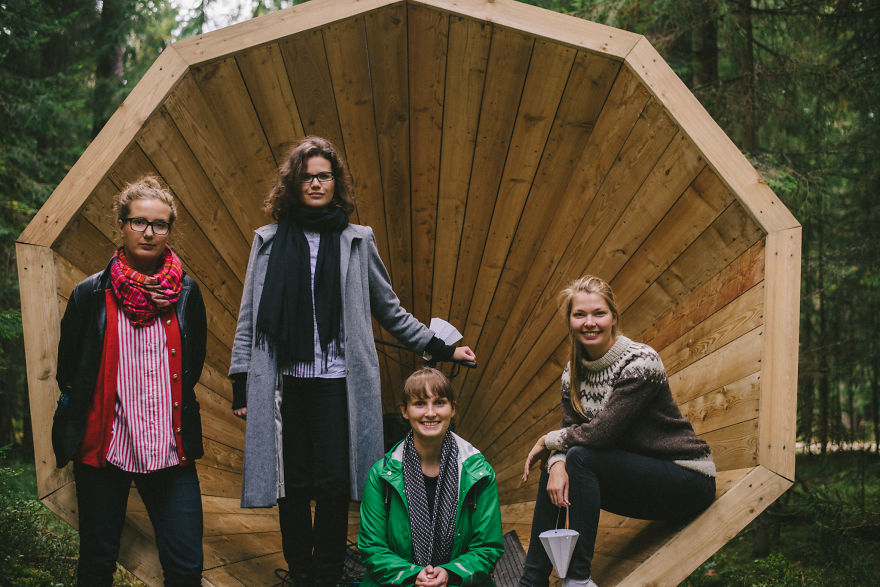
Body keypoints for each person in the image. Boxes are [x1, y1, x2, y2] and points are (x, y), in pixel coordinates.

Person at [228, 136, 476, 587]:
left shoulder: (357, 240)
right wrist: (242, 384)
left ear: (335, 182)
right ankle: (300, 572)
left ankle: (326, 572)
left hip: (337, 383)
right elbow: (249, 316)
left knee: (332, 483)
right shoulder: (266, 242)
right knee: (292, 485)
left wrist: (440, 347)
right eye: (307, 176)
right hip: (285, 384)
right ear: (293, 183)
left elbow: (390, 309)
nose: (316, 183)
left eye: (324, 175)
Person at [51, 176, 207, 586]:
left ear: (169, 229)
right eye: (139, 222)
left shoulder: (187, 294)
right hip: (105, 447)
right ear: (120, 225)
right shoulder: (90, 294)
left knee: (187, 566)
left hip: (170, 450)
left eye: (160, 224)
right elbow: (70, 370)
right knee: (97, 563)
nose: (149, 232)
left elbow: (193, 364)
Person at [519, 275, 716, 587]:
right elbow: (572, 430)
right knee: (557, 467)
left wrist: (547, 440)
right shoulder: (574, 371)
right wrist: (555, 461)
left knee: (581, 457)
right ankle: (532, 582)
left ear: (614, 317)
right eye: (579, 314)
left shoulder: (640, 361)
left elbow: (601, 434)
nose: (589, 322)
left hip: (687, 479)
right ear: (569, 320)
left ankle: (578, 579)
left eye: (598, 313)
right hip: (641, 486)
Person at [358, 368, 503, 587]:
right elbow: (372, 547)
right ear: (404, 411)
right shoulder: (381, 475)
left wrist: (450, 574)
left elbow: (487, 547)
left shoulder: (479, 473)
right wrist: (413, 575)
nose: (430, 412)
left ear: (452, 409)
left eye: (439, 402)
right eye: (419, 404)